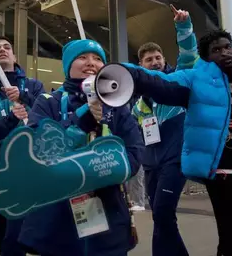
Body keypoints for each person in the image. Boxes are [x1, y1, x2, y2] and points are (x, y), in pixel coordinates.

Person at [122, 29, 232, 256]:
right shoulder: (195, 78)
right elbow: (162, 83)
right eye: (216, 50)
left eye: (227, 47)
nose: (224, 52)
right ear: (206, 57)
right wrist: (124, 72)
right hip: (223, 175)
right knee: (230, 240)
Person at [18, 39, 144, 256]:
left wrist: (105, 167)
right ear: (68, 66)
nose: (91, 63)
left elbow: (134, 152)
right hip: (57, 217)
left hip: (108, 210)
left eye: (97, 59)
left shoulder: (117, 107)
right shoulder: (48, 102)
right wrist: (80, 121)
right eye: (82, 57)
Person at [131, 4, 198, 256]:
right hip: (151, 164)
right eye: (149, 60)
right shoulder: (138, 103)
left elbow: (190, 55)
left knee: (163, 212)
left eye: (158, 58)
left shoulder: (178, 81)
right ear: (141, 65)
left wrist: (183, 26)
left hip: (175, 160)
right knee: (161, 217)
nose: (155, 62)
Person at [0, 35, 45, 256]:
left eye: (7, 47)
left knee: (23, 234)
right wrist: (11, 119)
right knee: (1, 234)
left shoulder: (33, 86)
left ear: (13, 54)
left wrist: (24, 97)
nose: (2, 50)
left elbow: (47, 122)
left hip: (30, 170)